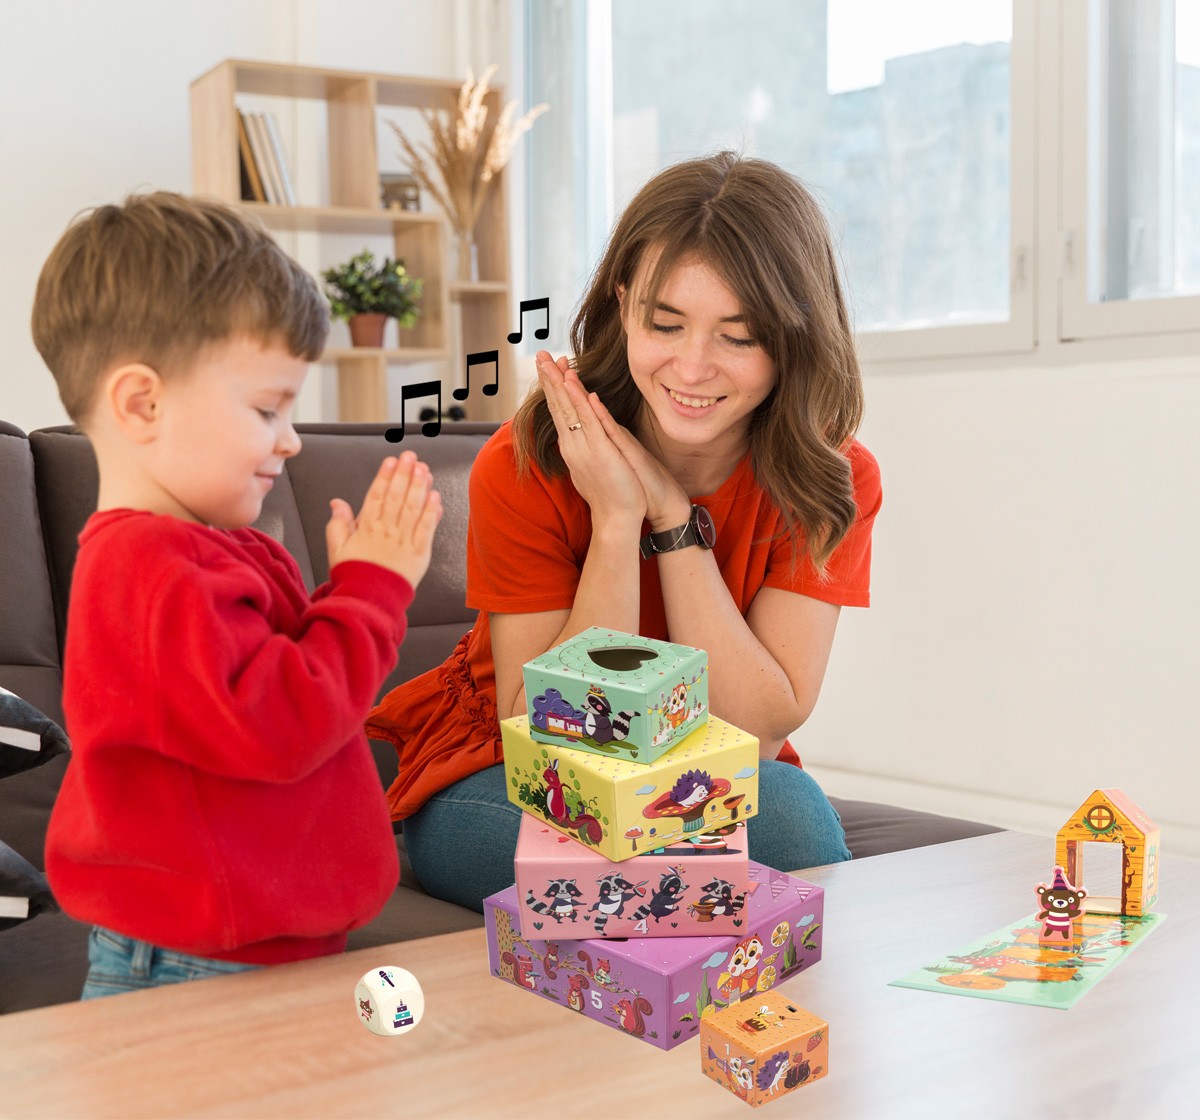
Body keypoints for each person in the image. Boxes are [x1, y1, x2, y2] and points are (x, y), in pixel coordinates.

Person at [367, 152, 881, 912]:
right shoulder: (526, 459)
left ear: (794, 338)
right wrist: (615, 521)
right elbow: (547, 733)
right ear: (622, 307)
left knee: (794, 822)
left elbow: (756, 733)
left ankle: (691, 979)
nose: (693, 366)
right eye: (664, 323)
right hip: (507, 769)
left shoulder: (831, 476)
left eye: (738, 337)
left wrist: (672, 521)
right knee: (593, 840)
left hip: (705, 766)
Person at [33, 192, 443, 998]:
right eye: (267, 408)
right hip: (199, 968)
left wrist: (338, 595)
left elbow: (264, 700)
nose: (290, 439)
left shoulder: (191, 555)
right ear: (142, 404)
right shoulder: (155, 570)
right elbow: (285, 724)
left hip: (241, 951)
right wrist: (372, 590)